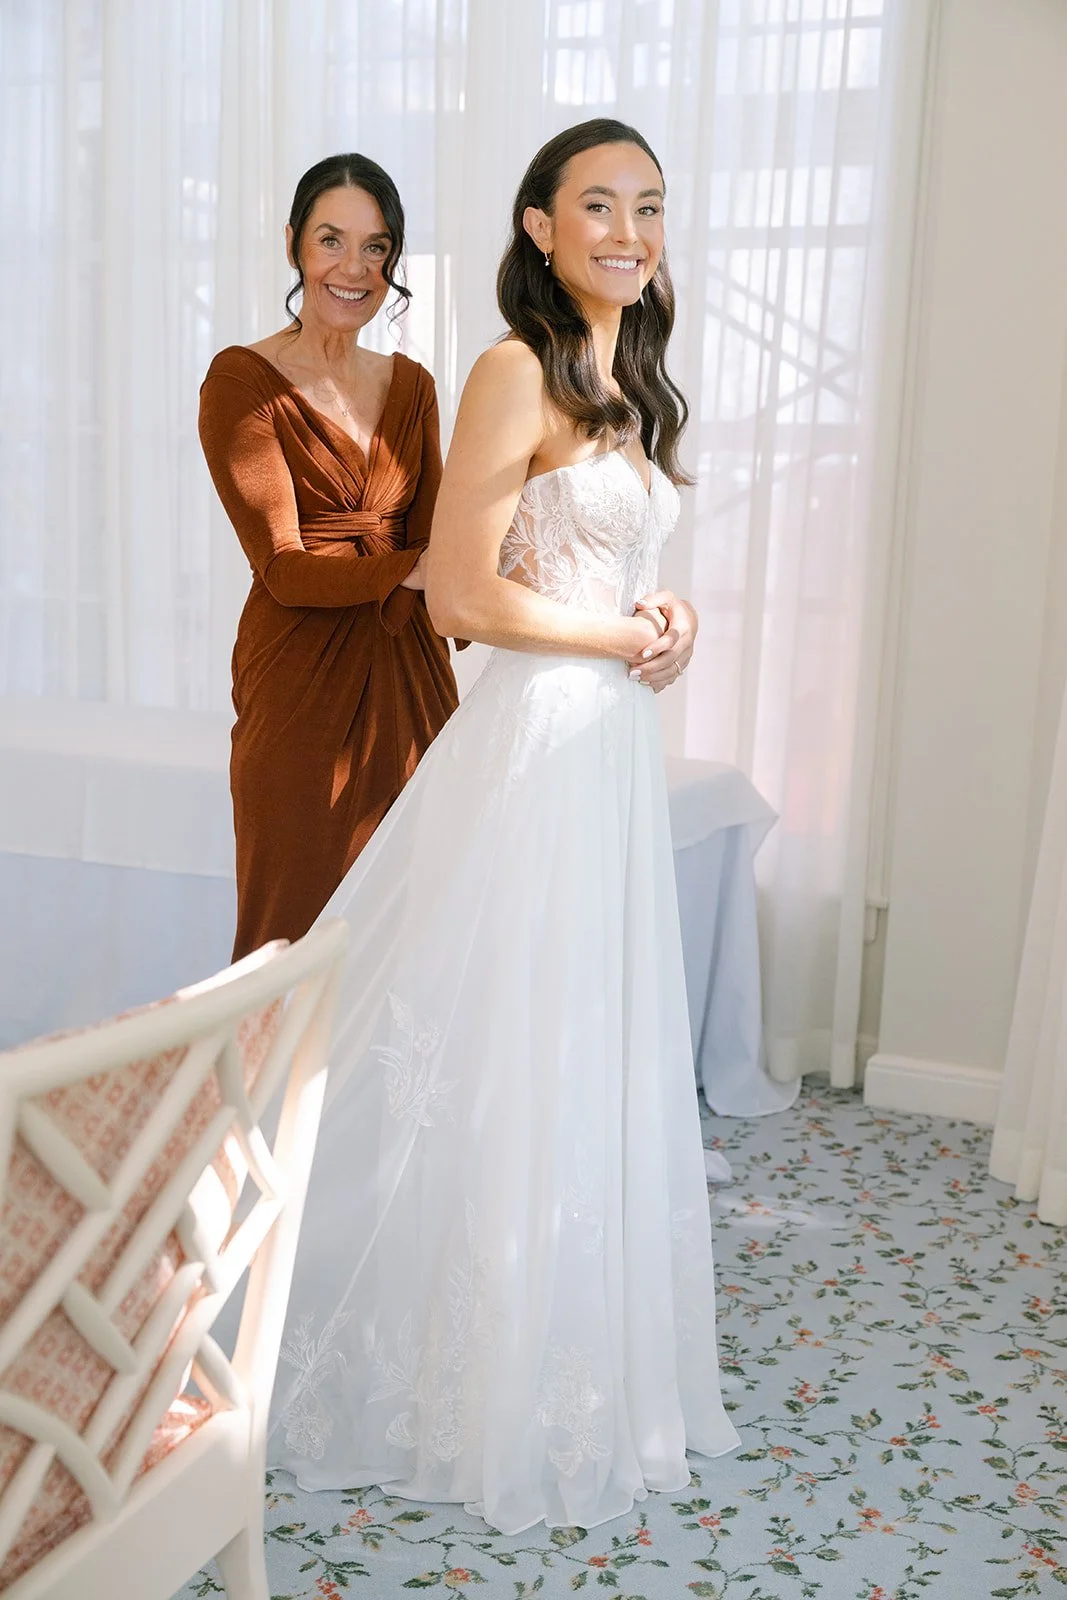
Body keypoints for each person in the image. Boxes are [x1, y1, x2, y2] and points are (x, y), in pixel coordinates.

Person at [268, 118, 740, 1533]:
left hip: (601, 751)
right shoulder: (511, 366)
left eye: (647, 207)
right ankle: (452, 1387)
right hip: (535, 749)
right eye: (595, 204)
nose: (626, 230)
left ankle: (563, 1365)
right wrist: (613, 638)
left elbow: (601, 567)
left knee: (577, 1053)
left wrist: (668, 618)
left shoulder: (625, 379)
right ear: (537, 226)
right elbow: (459, 597)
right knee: (494, 1054)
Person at [199, 154, 460, 960]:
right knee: (292, 924)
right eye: (331, 241)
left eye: (376, 248)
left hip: (411, 674)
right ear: (293, 247)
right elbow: (282, 566)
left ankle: (393, 1093)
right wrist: (412, 567)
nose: (355, 269)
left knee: (416, 917)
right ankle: (272, 1088)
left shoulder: (412, 385)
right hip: (299, 683)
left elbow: (441, 537)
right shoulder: (242, 381)